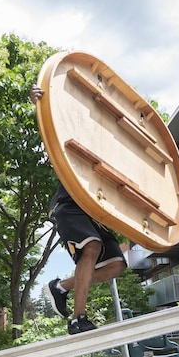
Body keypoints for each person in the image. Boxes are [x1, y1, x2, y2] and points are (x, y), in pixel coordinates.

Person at [31, 84, 128, 334]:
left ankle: (61, 287)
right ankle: (78, 319)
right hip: (69, 204)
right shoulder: (76, 138)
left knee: (117, 265)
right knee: (92, 247)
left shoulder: (115, 150)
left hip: (96, 211)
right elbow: (52, 136)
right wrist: (39, 105)